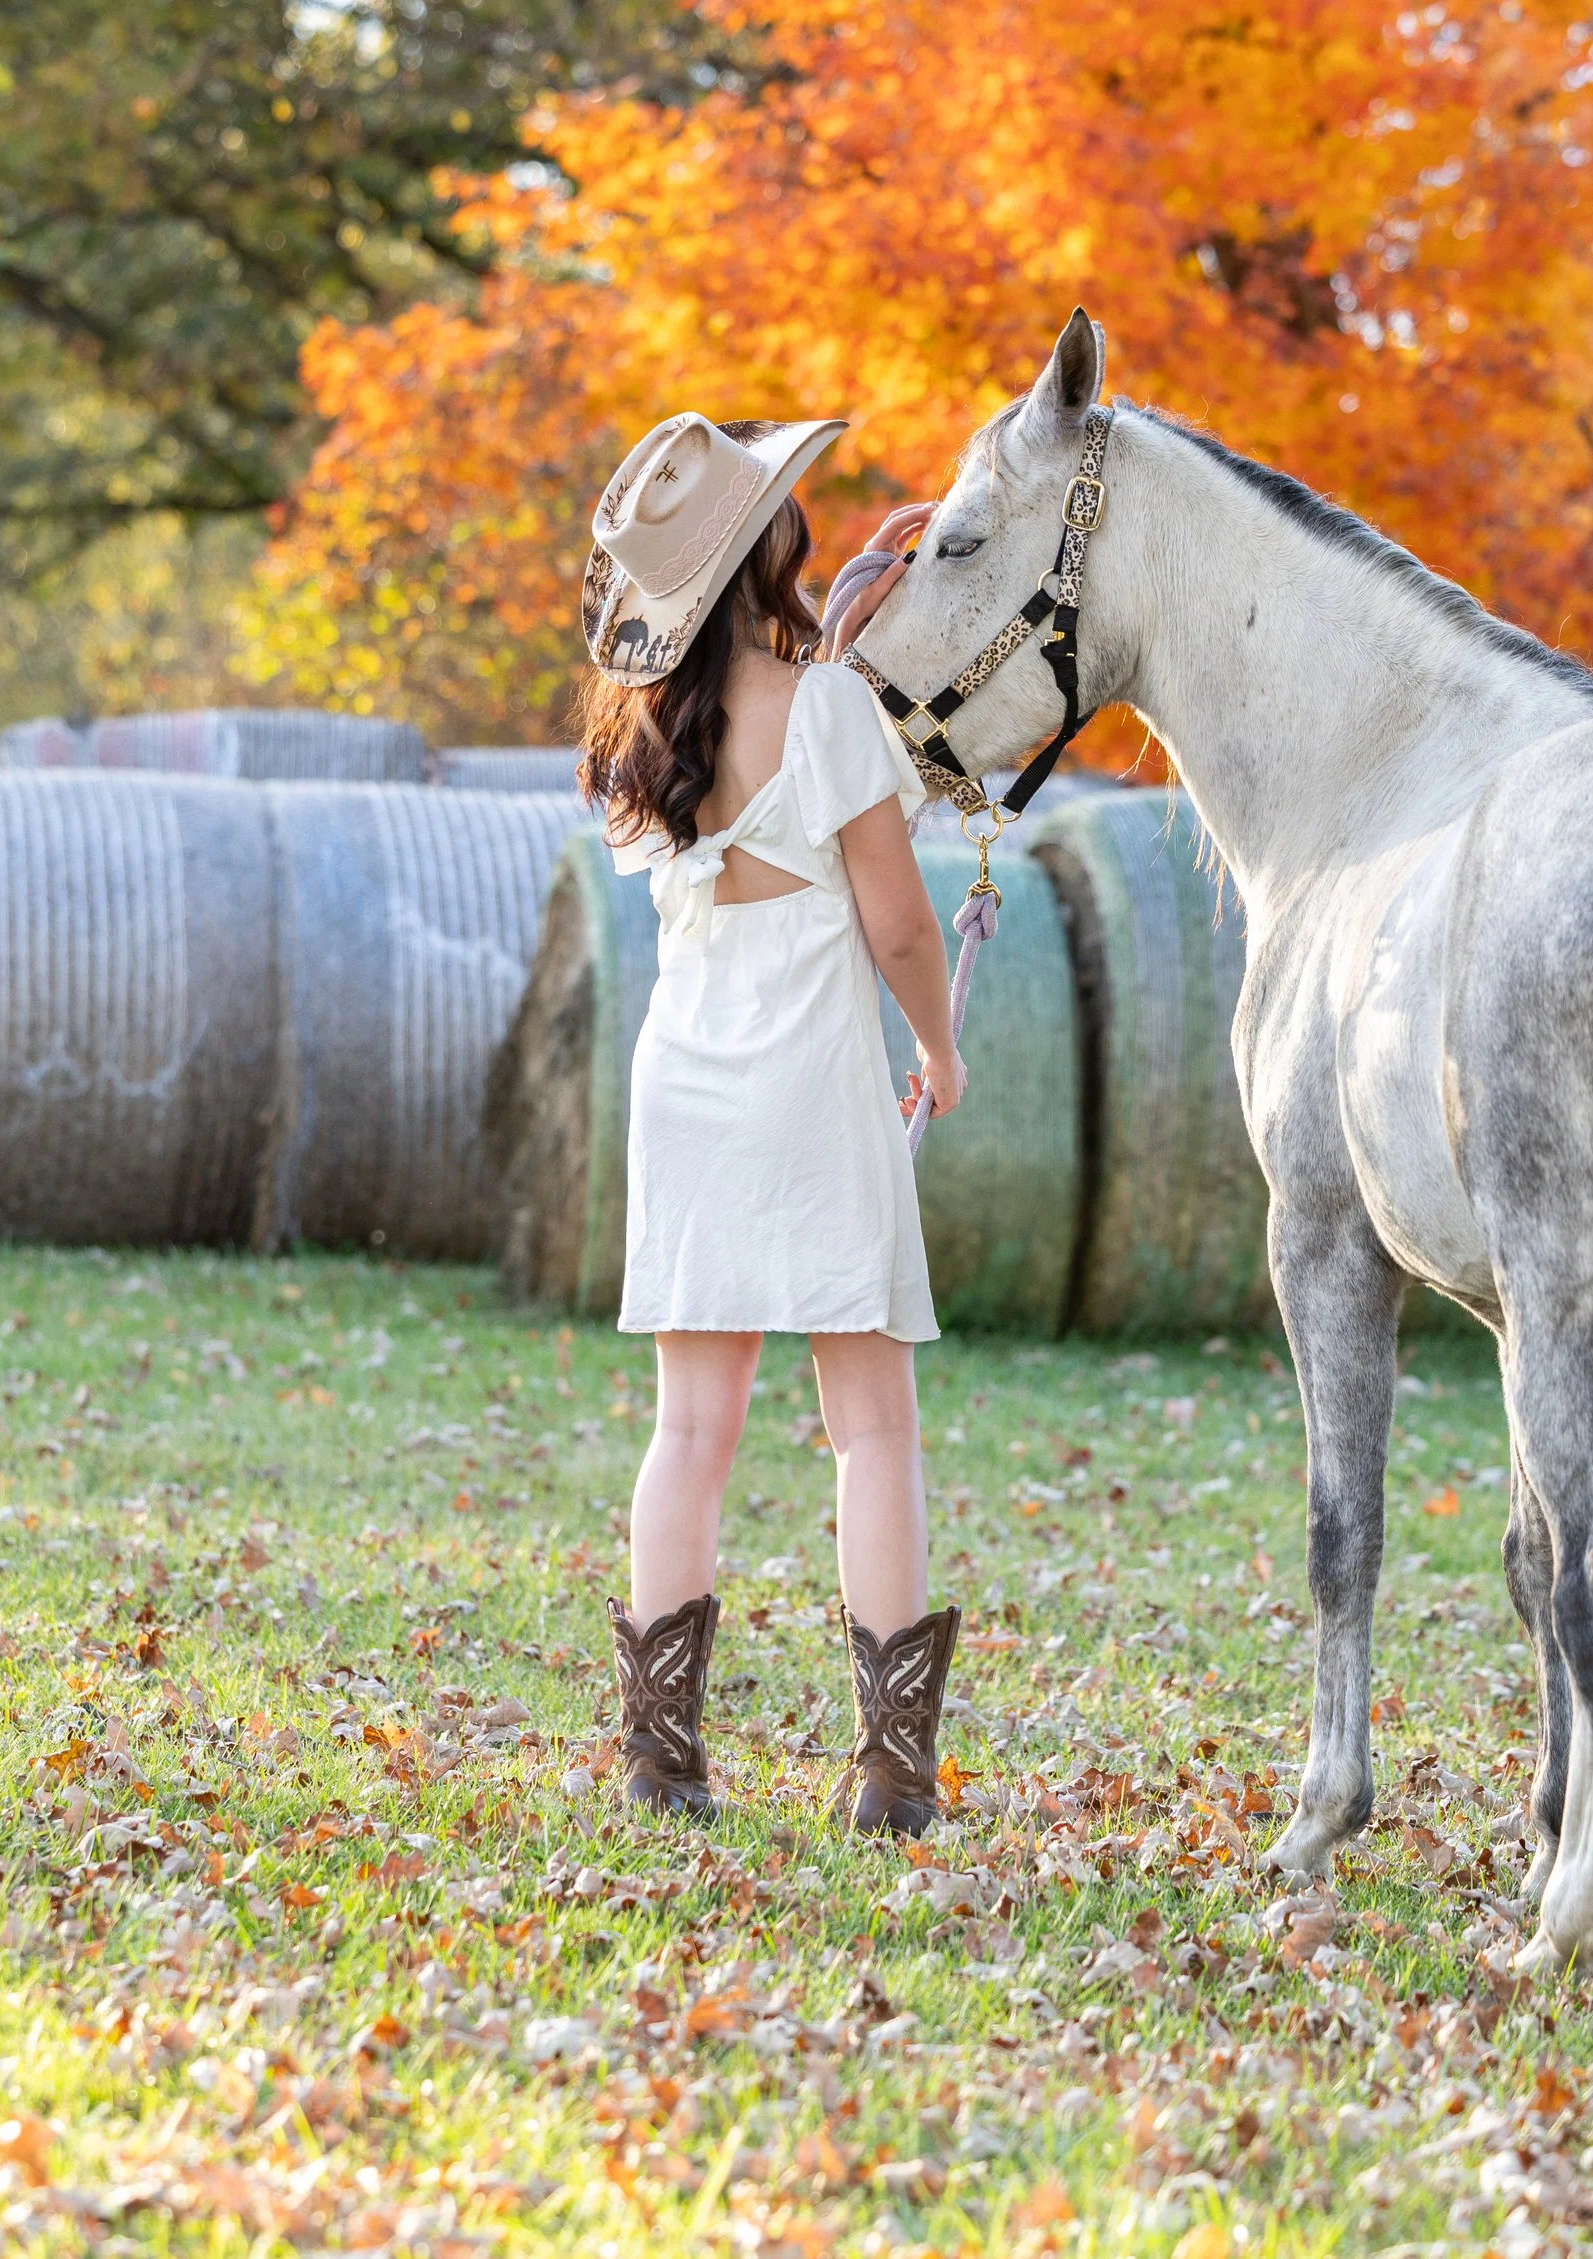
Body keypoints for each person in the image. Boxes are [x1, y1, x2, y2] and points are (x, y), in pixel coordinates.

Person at [575, 409, 961, 1834]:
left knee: (692, 1427)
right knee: (871, 1432)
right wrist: (941, 1045)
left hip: (685, 1083)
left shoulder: (643, 724)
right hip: (812, 1088)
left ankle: (662, 1758)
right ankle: (890, 1773)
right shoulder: (830, 706)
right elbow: (900, 921)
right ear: (771, 545)